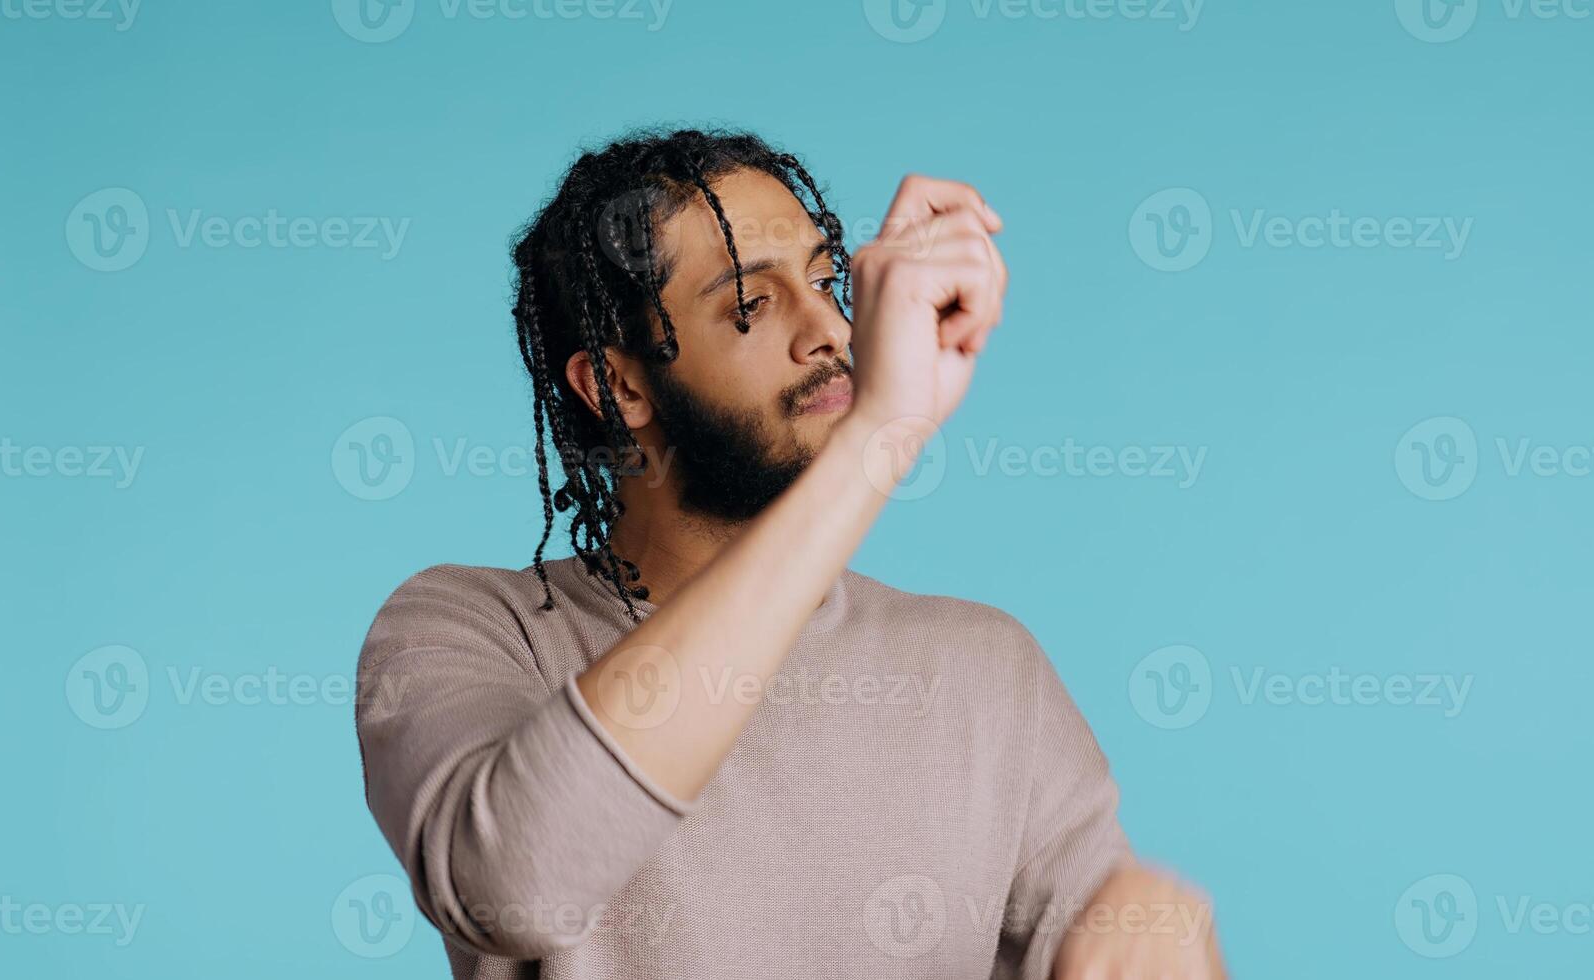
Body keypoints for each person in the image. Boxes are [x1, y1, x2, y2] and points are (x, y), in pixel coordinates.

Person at [355, 127, 1227, 980]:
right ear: (618, 386)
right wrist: (880, 436)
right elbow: (515, 889)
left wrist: (1158, 923)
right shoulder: (469, 628)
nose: (831, 332)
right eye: (752, 303)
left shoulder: (986, 668)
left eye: (826, 280)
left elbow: (1123, 932)